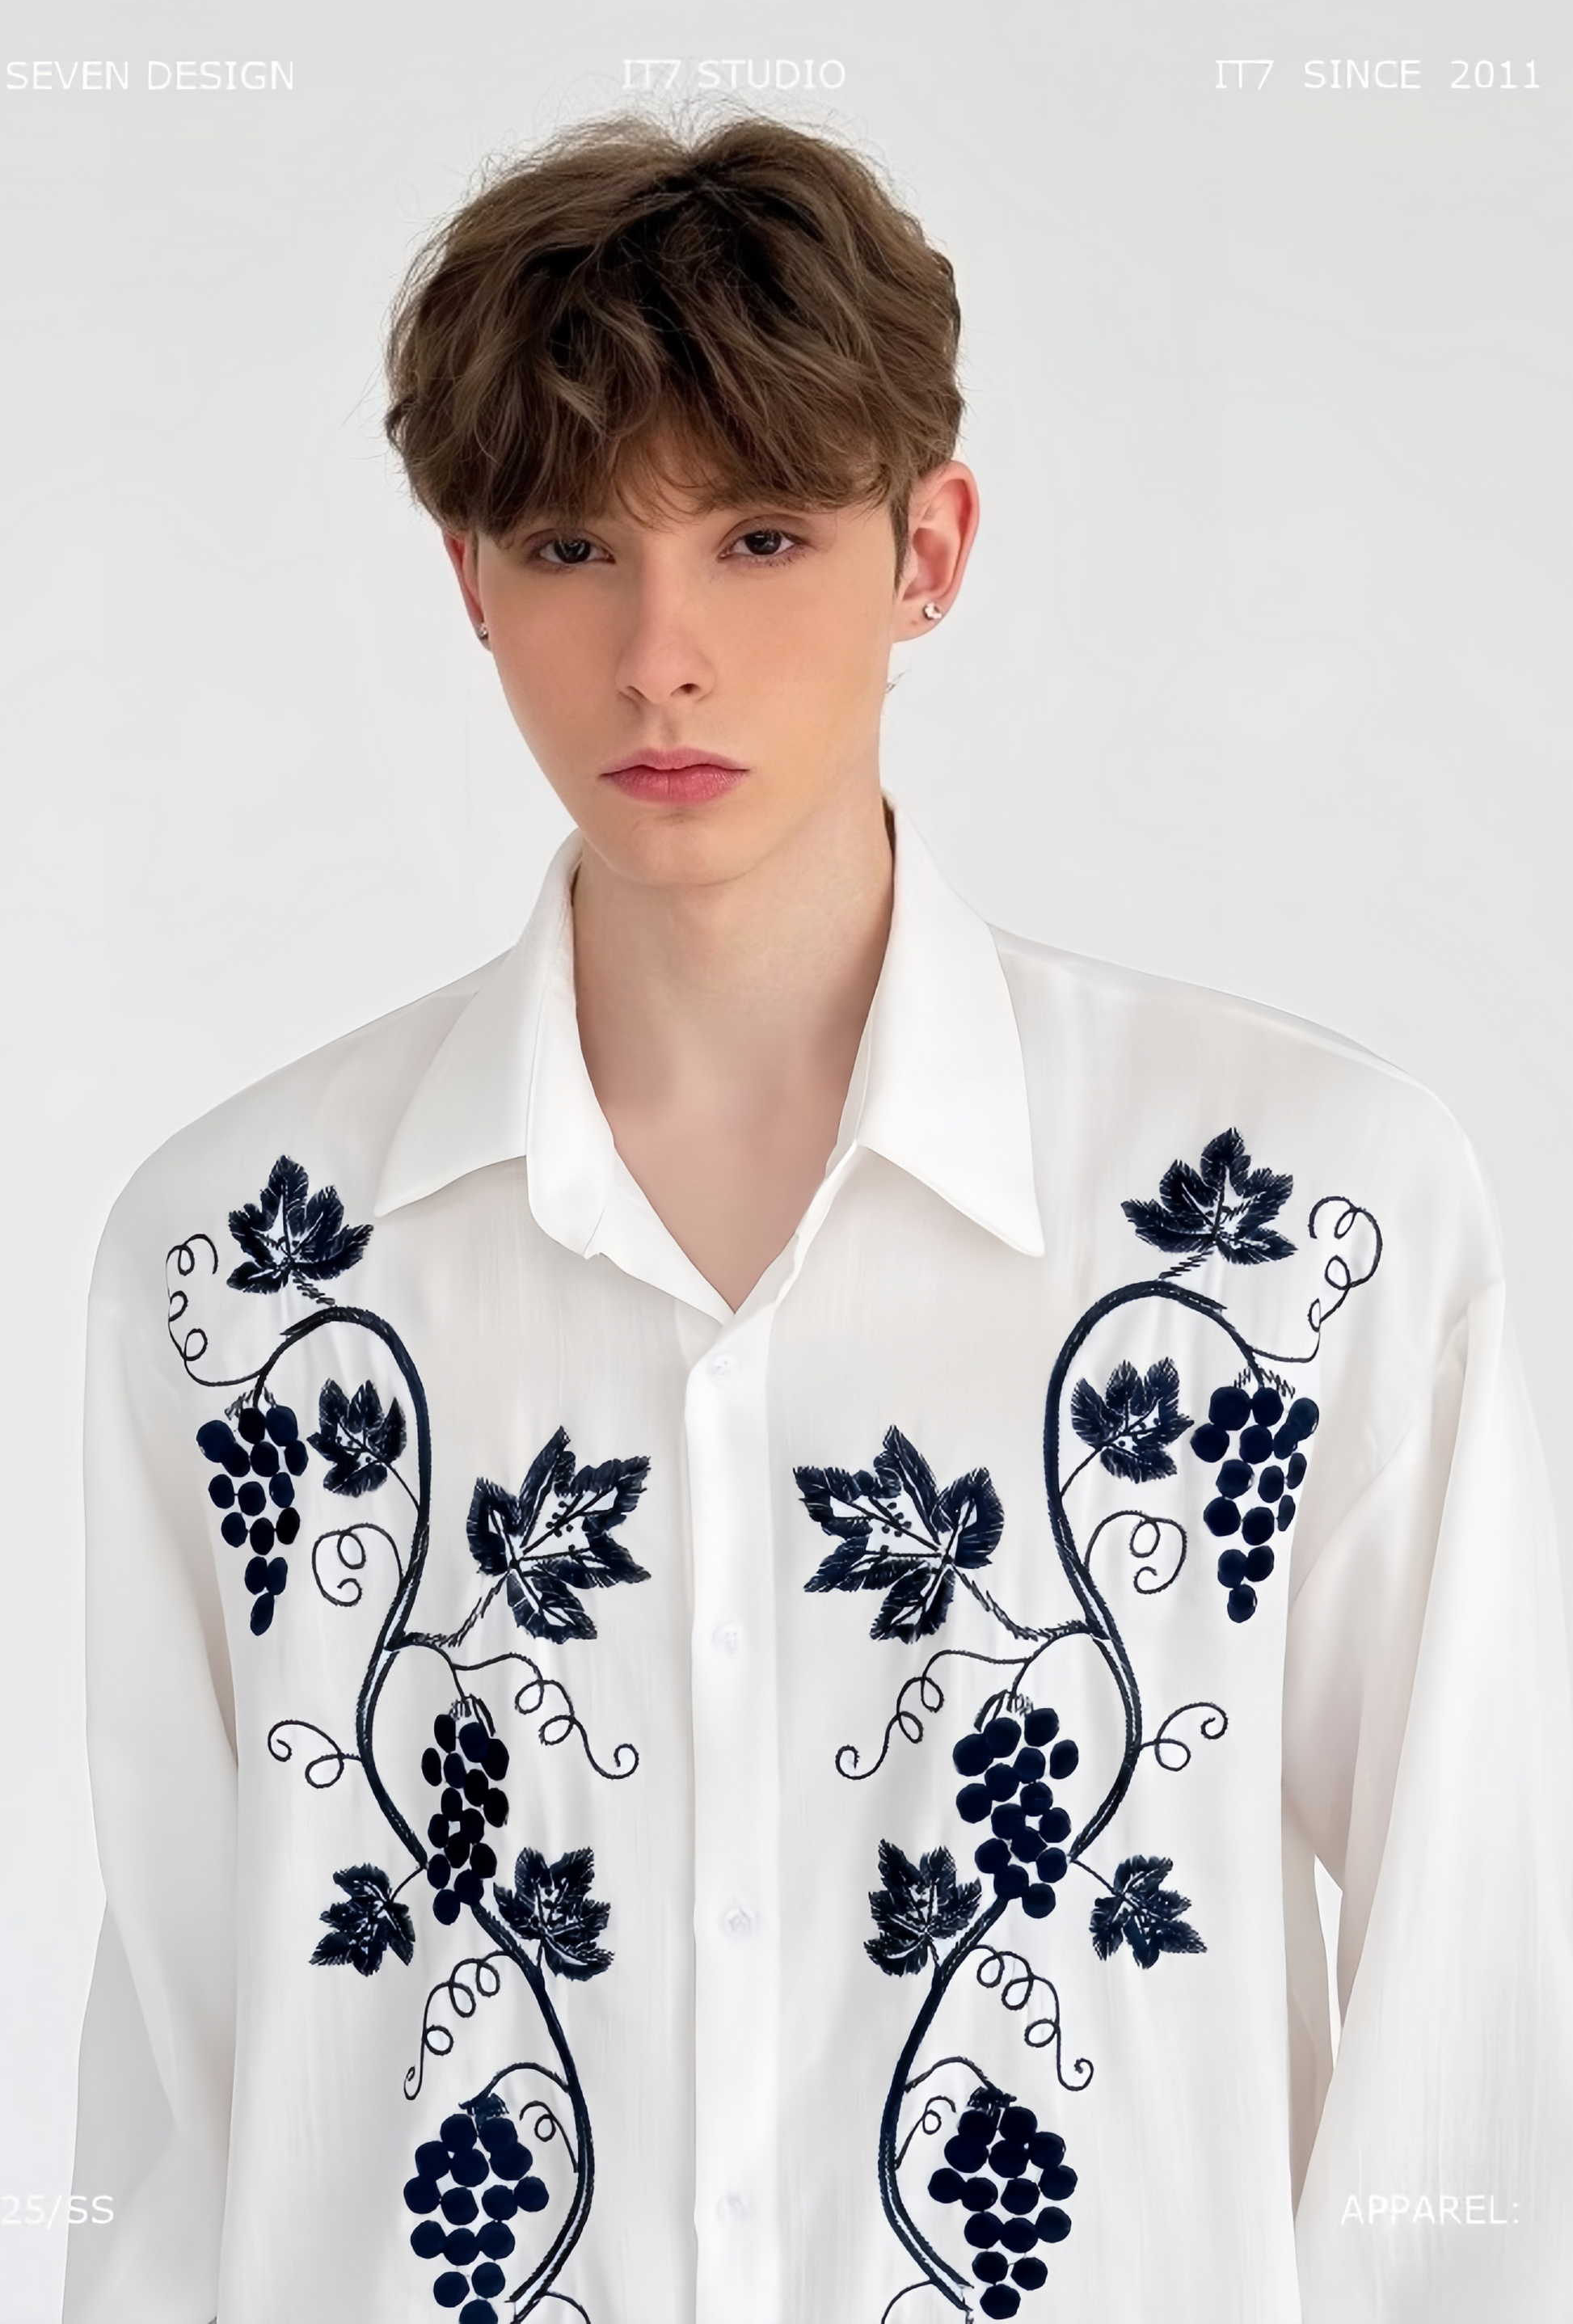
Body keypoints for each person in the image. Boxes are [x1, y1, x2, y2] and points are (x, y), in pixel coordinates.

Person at [65, 112, 1573, 2324]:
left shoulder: (1290, 1229)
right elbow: (189, 2093)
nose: (659, 654)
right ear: (469, 581)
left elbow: (1477, 2032)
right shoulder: (246, 1271)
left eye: (761, 536)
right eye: (573, 545)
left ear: (928, 548)